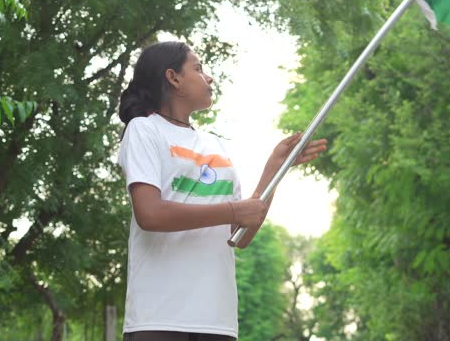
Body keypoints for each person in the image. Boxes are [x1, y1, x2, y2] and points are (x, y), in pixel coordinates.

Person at [117, 41, 327, 341]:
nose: (209, 78)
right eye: (199, 69)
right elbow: (150, 214)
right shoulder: (144, 130)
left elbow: (241, 235)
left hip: (217, 321)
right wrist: (233, 210)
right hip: (158, 317)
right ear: (173, 78)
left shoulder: (215, 145)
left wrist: (274, 169)